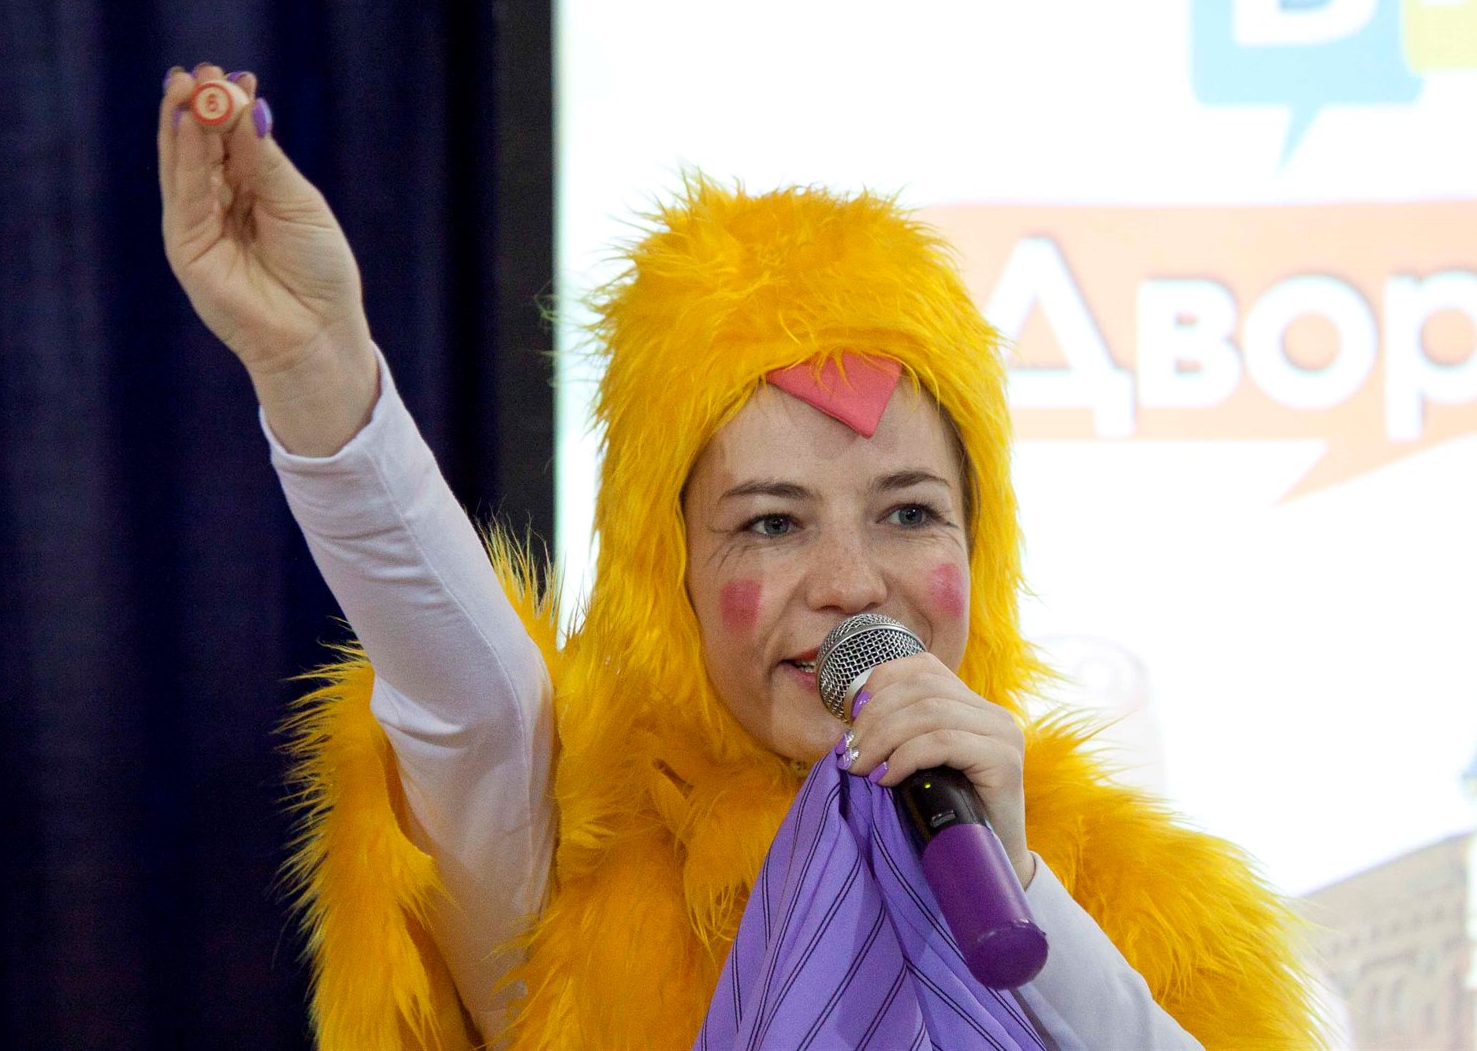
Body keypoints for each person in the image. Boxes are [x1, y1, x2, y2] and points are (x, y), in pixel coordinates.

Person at [156, 64, 1319, 1049]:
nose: (852, 583)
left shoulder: (1123, 905)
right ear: (667, 573)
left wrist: (1014, 889)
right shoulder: (573, 862)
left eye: (909, 513)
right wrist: (316, 370)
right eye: (772, 522)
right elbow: (466, 696)